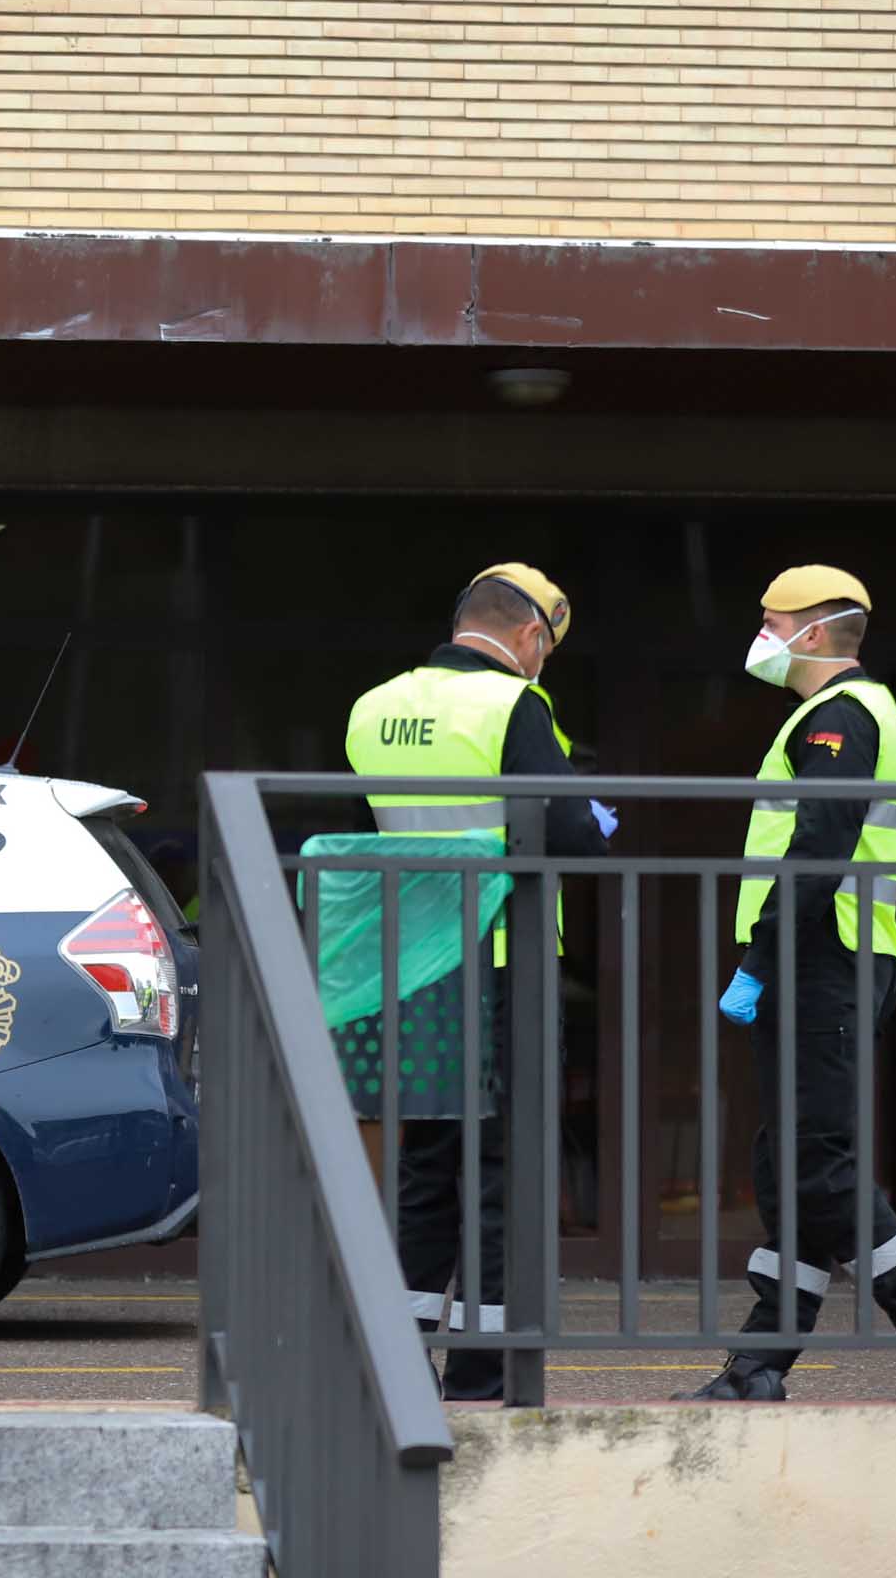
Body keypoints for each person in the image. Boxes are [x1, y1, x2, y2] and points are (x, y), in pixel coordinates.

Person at [681, 567, 896, 1402]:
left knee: (818, 1165)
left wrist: (759, 957)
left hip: (824, 957)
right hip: (831, 956)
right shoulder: (844, 715)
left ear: (812, 634)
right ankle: (759, 1364)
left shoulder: (841, 717)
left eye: (768, 621)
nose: (759, 636)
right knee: (789, 1165)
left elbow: (818, 848)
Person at [337, 562, 611, 1401]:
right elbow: (575, 836)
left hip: (413, 968)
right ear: (531, 636)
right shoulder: (513, 705)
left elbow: (365, 835)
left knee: (425, 1162)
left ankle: (402, 1356)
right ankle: (484, 1367)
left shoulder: (373, 706)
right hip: (499, 961)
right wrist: (597, 814)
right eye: (547, 651)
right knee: (502, 1167)